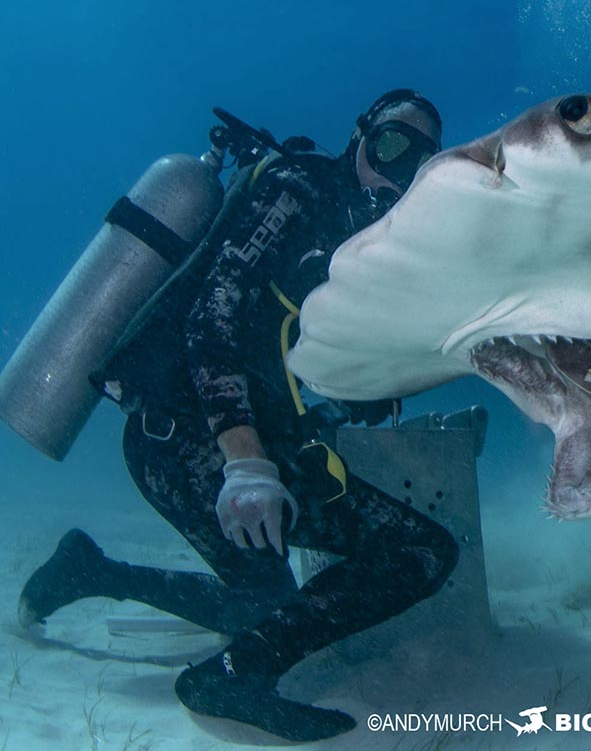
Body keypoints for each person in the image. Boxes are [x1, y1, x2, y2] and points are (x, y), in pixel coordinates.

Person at [17, 90, 458, 743]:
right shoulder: (297, 190)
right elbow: (211, 316)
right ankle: (227, 679)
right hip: (180, 437)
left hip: (260, 442)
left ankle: (94, 572)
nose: (397, 170)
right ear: (360, 135)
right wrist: (247, 461)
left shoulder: (364, 241)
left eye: (418, 161)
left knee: (346, 576)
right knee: (337, 576)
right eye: (391, 145)